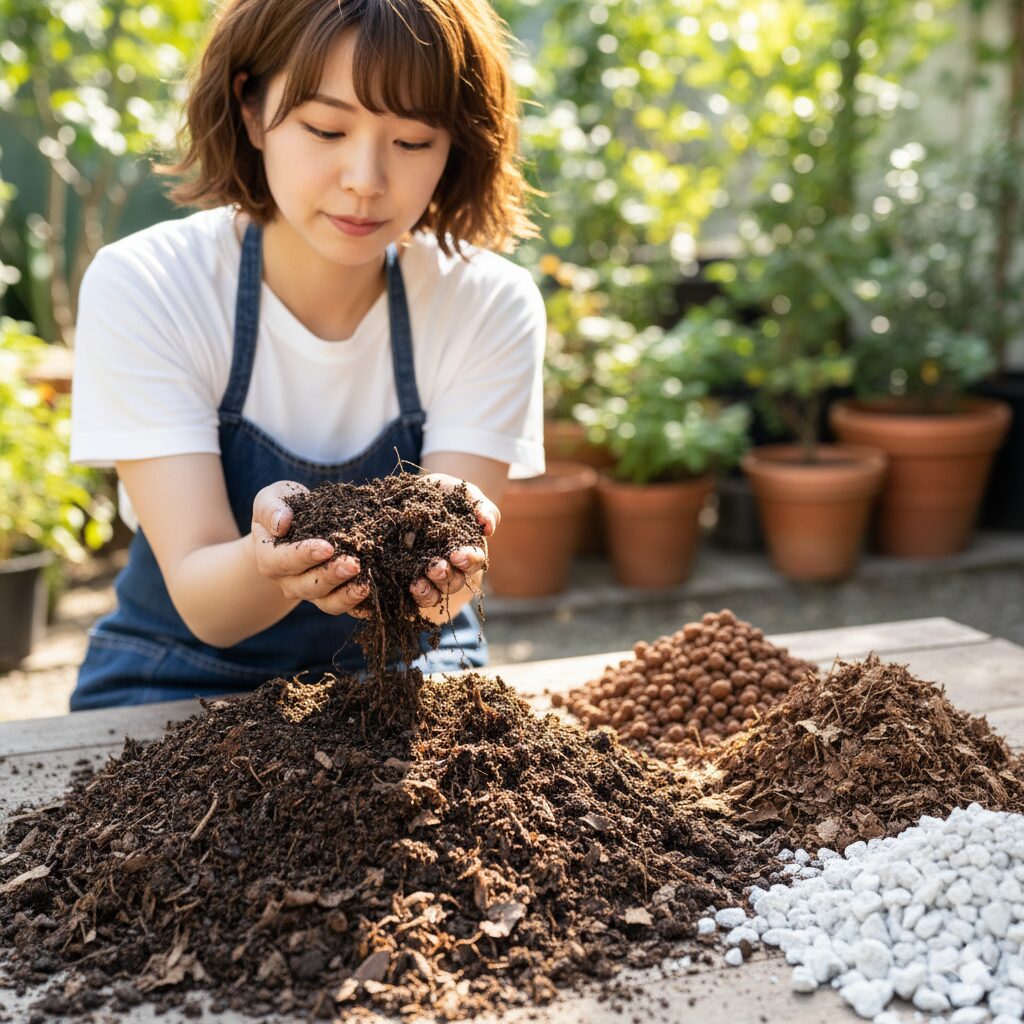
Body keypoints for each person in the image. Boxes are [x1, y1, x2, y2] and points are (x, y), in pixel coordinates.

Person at [68, 0, 545, 710]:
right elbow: (207, 604)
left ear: (457, 144)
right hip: (177, 678)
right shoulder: (151, 284)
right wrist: (274, 562)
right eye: (326, 128)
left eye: (413, 141)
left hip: (408, 677)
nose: (366, 179)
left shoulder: (488, 302)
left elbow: (445, 603)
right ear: (253, 110)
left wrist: (452, 563)